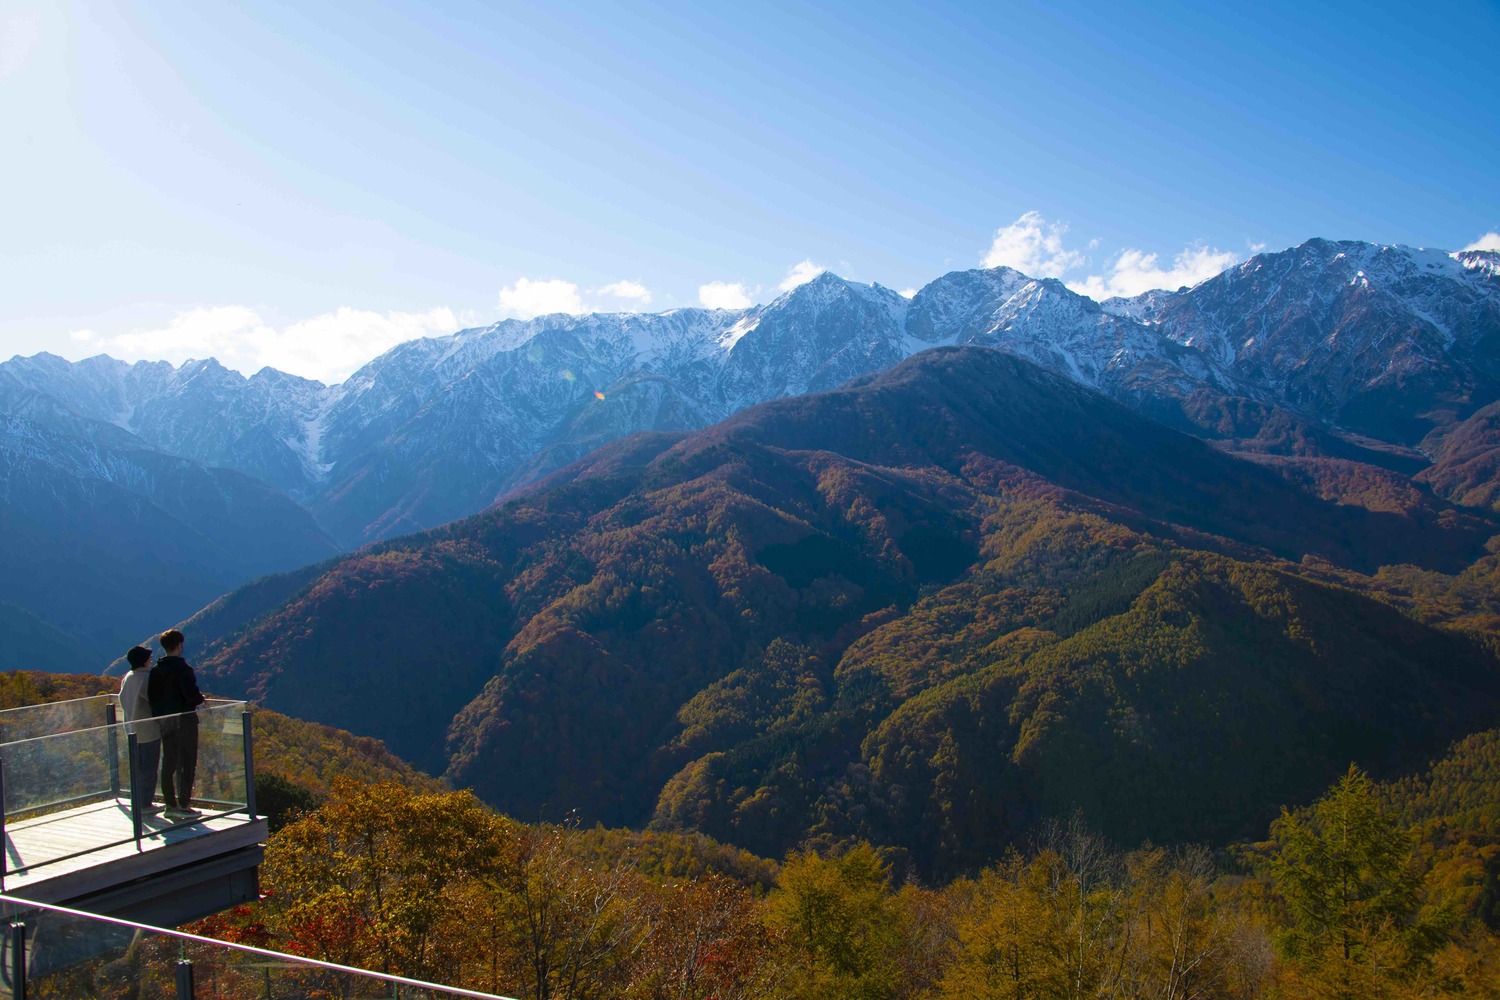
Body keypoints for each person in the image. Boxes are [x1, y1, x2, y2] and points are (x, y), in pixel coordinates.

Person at [149, 628, 206, 820]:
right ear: (179, 646)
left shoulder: (156, 671)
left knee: (169, 762)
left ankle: (170, 804)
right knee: (187, 761)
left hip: (165, 721)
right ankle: (183, 804)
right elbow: (191, 695)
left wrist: (160, 718)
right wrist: (200, 698)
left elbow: (153, 699)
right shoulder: (183, 669)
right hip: (185, 721)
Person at [118, 645, 163, 817]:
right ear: (143, 660)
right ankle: (145, 804)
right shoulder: (146, 679)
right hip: (148, 730)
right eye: (148, 658)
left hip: (130, 728)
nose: (150, 660)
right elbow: (154, 699)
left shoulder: (128, 678)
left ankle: (137, 801)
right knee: (149, 767)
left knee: (137, 767)